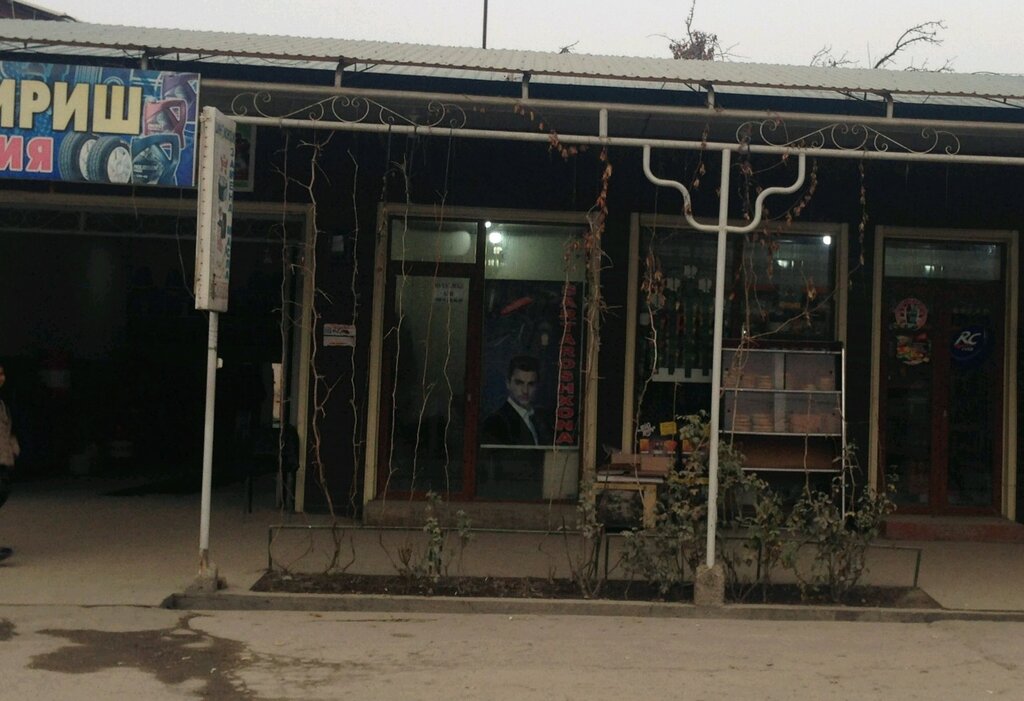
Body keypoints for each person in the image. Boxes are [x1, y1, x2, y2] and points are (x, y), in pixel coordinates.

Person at [480, 355, 552, 446]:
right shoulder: (495, 422)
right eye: (519, 383)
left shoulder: (543, 419)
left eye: (531, 384)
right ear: (508, 383)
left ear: (537, 386)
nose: (525, 391)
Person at [0, 362, 19, 562]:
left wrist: (13, 448)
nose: (1, 378)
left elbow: (7, 430)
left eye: (2, 373)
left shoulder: (3, 405)